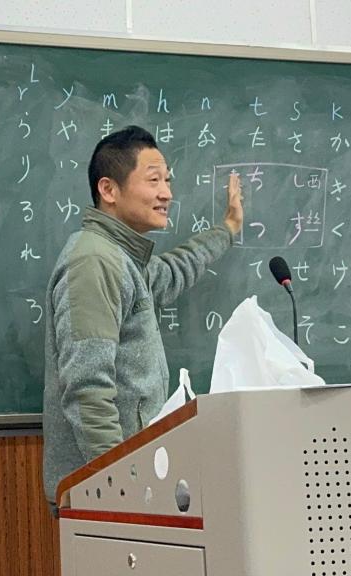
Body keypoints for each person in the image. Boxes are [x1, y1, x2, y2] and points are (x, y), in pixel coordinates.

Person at [42, 125, 244, 508]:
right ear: (109, 190)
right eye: (153, 180)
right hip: (108, 497)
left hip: (130, 486)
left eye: (167, 180)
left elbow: (175, 270)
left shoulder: (122, 260)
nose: (166, 193)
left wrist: (227, 229)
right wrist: (121, 489)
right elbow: (87, 389)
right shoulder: (94, 262)